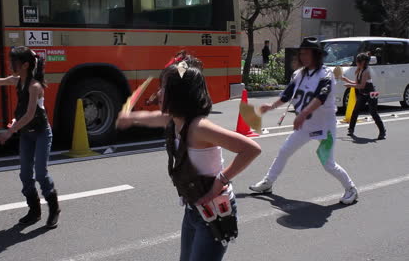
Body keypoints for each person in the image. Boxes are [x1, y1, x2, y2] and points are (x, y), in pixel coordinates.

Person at [117, 53, 261, 261]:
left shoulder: (199, 128)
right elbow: (154, 118)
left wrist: (221, 180)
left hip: (214, 213)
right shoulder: (175, 120)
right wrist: (130, 119)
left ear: (179, 94)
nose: (158, 93)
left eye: (164, 88)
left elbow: (251, 148)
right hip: (194, 210)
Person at [249, 37, 358, 205]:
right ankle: (268, 183)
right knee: (284, 150)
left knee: (328, 163)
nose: (303, 57)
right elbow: (287, 94)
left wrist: (303, 113)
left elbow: (320, 97)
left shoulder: (326, 75)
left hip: (324, 126)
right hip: (305, 125)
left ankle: (351, 189)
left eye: (307, 53)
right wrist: (271, 106)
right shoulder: (299, 74)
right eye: (301, 54)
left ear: (316, 55)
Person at [0, 46, 61, 228]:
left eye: (12, 61)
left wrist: (9, 131)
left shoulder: (35, 86)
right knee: (24, 174)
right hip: (26, 134)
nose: (9, 64)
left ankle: (54, 209)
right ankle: (34, 210)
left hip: (41, 133)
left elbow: (30, 114)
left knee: (40, 173)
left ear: (24, 65)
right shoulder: (17, 80)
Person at [341, 53, 386, 139]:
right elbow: (357, 83)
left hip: (371, 93)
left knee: (373, 113)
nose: (356, 62)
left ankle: (382, 131)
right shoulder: (359, 70)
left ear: (363, 62)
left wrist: (350, 85)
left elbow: (361, 85)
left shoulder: (366, 71)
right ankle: (351, 129)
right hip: (363, 94)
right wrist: (345, 79)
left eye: (358, 61)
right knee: (355, 111)